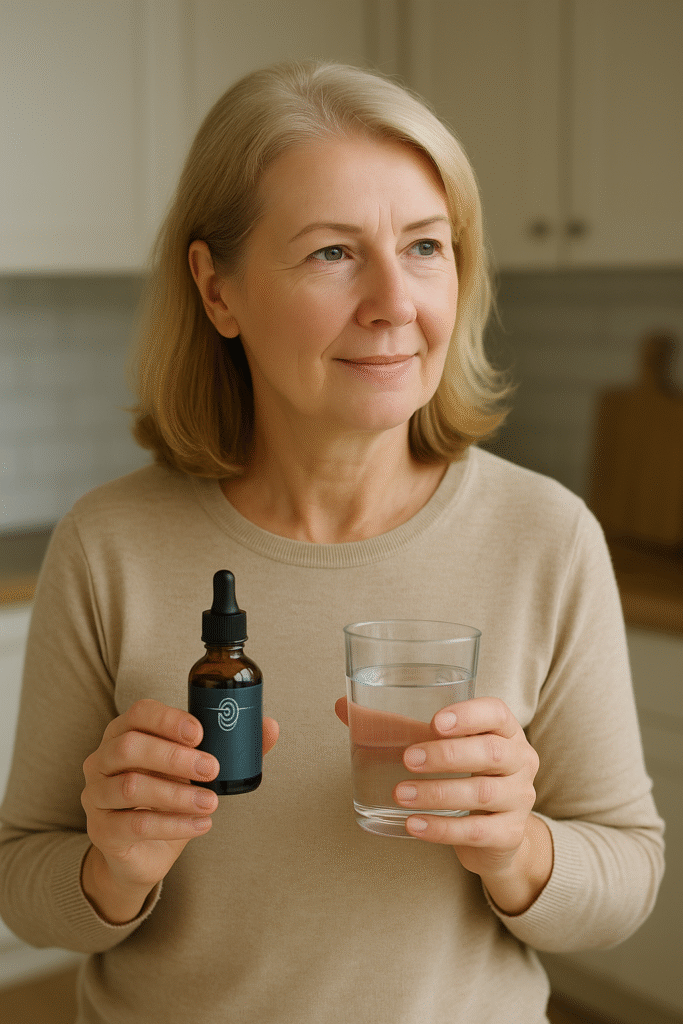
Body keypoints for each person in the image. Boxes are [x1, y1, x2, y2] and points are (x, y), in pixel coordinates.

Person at [0, 60, 664, 1024]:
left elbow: (629, 874)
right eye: (331, 253)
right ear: (217, 291)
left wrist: (519, 847)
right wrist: (112, 866)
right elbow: (25, 875)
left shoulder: (546, 538)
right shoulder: (109, 545)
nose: (395, 301)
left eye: (426, 246)